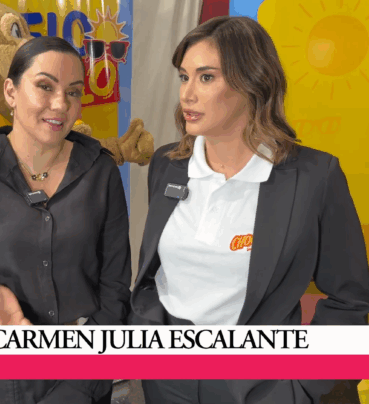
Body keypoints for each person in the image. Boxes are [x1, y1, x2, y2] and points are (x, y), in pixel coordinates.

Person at [129, 15, 369, 404]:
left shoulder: (314, 177)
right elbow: (152, 271)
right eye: (184, 77)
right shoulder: (167, 164)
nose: (187, 94)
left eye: (206, 77)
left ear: (252, 82)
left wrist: (303, 387)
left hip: (261, 385)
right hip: (166, 378)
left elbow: (351, 299)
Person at [0, 35, 132, 404]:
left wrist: (82, 383)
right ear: (10, 92)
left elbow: (115, 289)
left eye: (73, 92)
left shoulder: (101, 172)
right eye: (45, 86)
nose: (60, 104)